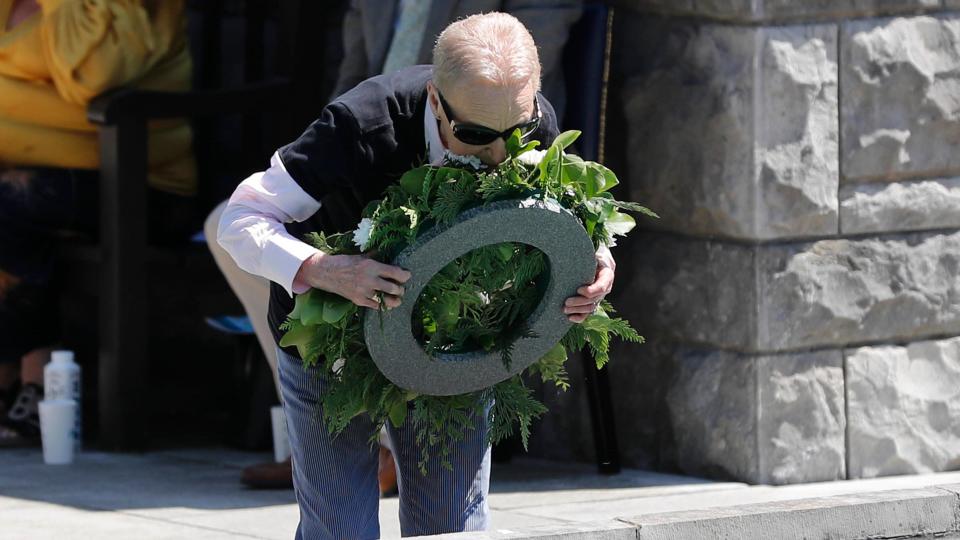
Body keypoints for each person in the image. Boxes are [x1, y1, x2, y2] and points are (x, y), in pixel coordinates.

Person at [218, 13, 614, 538]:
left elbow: (560, 211)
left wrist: (596, 255)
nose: (499, 154)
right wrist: (324, 269)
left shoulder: (524, 115)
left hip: (453, 343)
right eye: (475, 135)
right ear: (434, 99)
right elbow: (240, 219)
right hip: (331, 345)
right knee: (341, 531)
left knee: (450, 527)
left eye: (515, 133)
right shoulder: (362, 123)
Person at [0, 0, 195, 445]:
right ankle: (25, 378)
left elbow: (93, 74)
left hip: (136, 182)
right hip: (42, 179)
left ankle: (26, 379)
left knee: (10, 204)